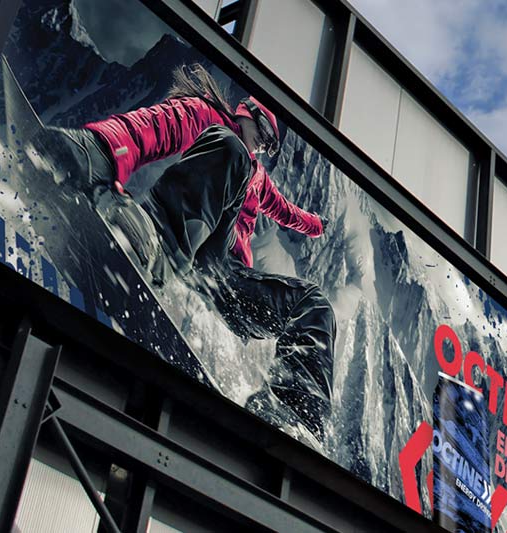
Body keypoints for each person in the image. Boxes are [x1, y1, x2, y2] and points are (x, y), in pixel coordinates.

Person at [33, 64, 335, 440]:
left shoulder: (257, 176)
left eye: (270, 144)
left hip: (227, 282)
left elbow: (287, 212)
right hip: (183, 251)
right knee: (231, 149)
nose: (263, 144)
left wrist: (317, 225)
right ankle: (156, 245)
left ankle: (293, 415)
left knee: (315, 304)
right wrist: (95, 149)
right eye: (264, 132)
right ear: (246, 112)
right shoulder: (208, 120)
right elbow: (152, 128)